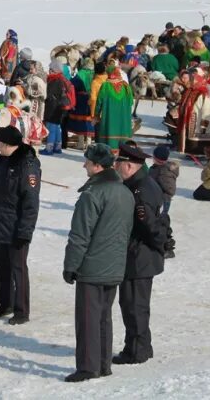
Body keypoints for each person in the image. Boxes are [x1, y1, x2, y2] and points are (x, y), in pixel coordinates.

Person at [62, 143, 134, 382]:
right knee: (103, 316)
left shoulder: (93, 194)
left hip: (92, 267)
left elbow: (80, 235)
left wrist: (71, 265)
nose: (84, 165)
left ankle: (88, 367)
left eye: (87, 161)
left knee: (88, 319)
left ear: (97, 165)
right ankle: (103, 364)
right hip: (115, 266)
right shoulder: (124, 192)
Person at [113, 143, 167, 366]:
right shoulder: (144, 183)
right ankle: (143, 345)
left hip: (139, 258)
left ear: (128, 166)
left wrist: (158, 246)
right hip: (141, 256)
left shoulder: (139, 190)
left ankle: (136, 351)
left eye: (118, 163)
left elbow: (151, 227)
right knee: (137, 305)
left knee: (134, 306)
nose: (115, 166)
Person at [0, 126, 41, 325]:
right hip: (2, 223)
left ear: (8, 144)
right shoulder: (2, 161)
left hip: (17, 228)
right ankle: (6, 303)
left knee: (18, 269)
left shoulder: (27, 165)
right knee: (3, 267)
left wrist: (25, 231)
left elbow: (31, 202)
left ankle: (21, 310)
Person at [93, 65, 133, 151]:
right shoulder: (126, 86)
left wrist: (96, 115)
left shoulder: (106, 86)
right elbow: (131, 103)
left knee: (108, 136)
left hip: (110, 119)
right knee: (123, 140)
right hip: (123, 120)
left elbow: (99, 102)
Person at [149, 145, 178, 258]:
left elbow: (170, 189)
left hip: (162, 201)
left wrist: (161, 194)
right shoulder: (156, 168)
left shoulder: (163, 172)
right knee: (156, 221)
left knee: (161, 222)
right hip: (156, 200)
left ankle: (168, 247)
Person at [42, 60, 69, 155]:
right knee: (57, 127)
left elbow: (48, 94)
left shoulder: (54, 80)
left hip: (53, 108)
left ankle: (49, 148)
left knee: (51, 127)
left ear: (54, 70)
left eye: (50, 69)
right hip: (60, 107)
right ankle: (58, 146)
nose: (49, 71)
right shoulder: (62, 79)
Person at [69, 70, 95, 150]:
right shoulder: (87, 94)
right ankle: (88, 143)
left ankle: (81, 144)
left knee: (80, 125)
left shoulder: (76, 81)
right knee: (88, 125)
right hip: (87, 111)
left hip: (79, 110)